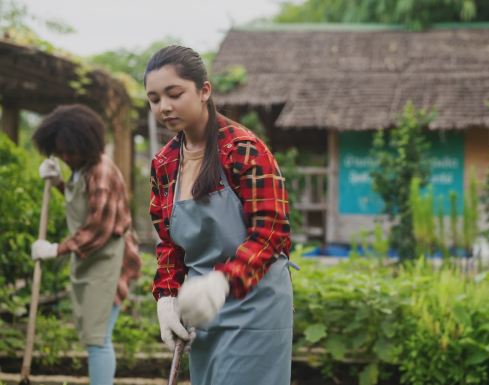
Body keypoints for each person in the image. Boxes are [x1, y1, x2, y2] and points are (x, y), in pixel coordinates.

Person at [145, 45, 294, 385]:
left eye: (174, 93)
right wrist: (167, 298)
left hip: (253, 305)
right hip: (201, 308)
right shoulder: (165, 163)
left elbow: (271, 232)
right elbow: (169, 241)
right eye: (154, 99)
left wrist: (222, 281)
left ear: (204, 91)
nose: (164, 107)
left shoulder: (243, 149)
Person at [31, 104, 141, 385]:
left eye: (70, 151)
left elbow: (97, 228)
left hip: (109, 259)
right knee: (95, 336)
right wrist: (59, 182)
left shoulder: (101, 173)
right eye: (60, 151)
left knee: (98, 339)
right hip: (92, 260)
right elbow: (82, 203)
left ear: (87, 143)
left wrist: (56, 249)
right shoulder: (82, 168)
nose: (66, 157)